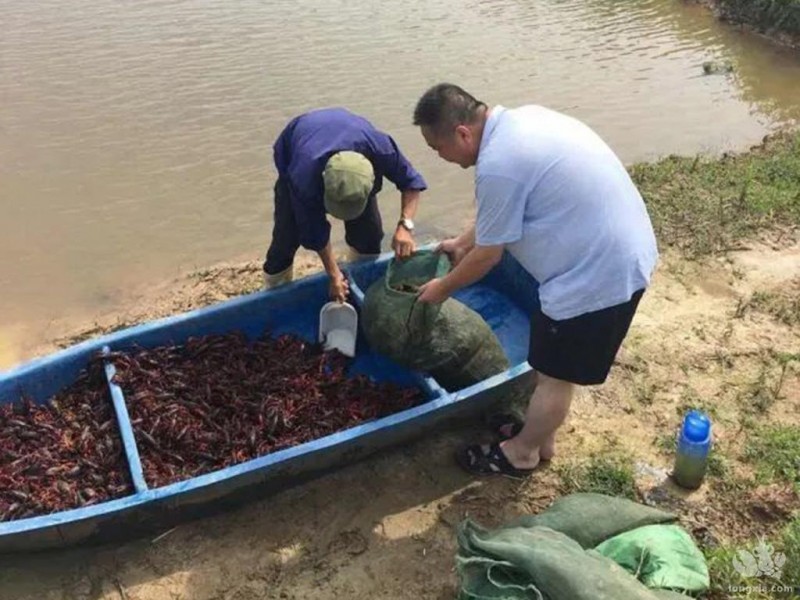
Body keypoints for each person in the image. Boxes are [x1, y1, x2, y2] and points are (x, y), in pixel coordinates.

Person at [412, 83, 658, 477]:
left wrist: (442, 289)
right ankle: (539, 437)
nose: (440, 158)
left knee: (556, 378)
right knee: (549, 369)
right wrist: (461, 242)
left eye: (436, 148)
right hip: (614, 252)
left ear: (462, 133)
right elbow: (503, 213)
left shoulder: (498, 165)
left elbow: (489, 257)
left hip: (597, 275)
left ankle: (522, 454)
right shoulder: (523, 124)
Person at [264, 108, 428, 302]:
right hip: (298, 150)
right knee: (286, 237)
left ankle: (360, 278)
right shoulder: (303, 176)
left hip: (353, 148)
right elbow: (314, 231)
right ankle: (275, 289)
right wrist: (333, 274)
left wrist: (405, 226)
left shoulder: (382, 149)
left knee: (369, 235)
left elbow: (411, 183)